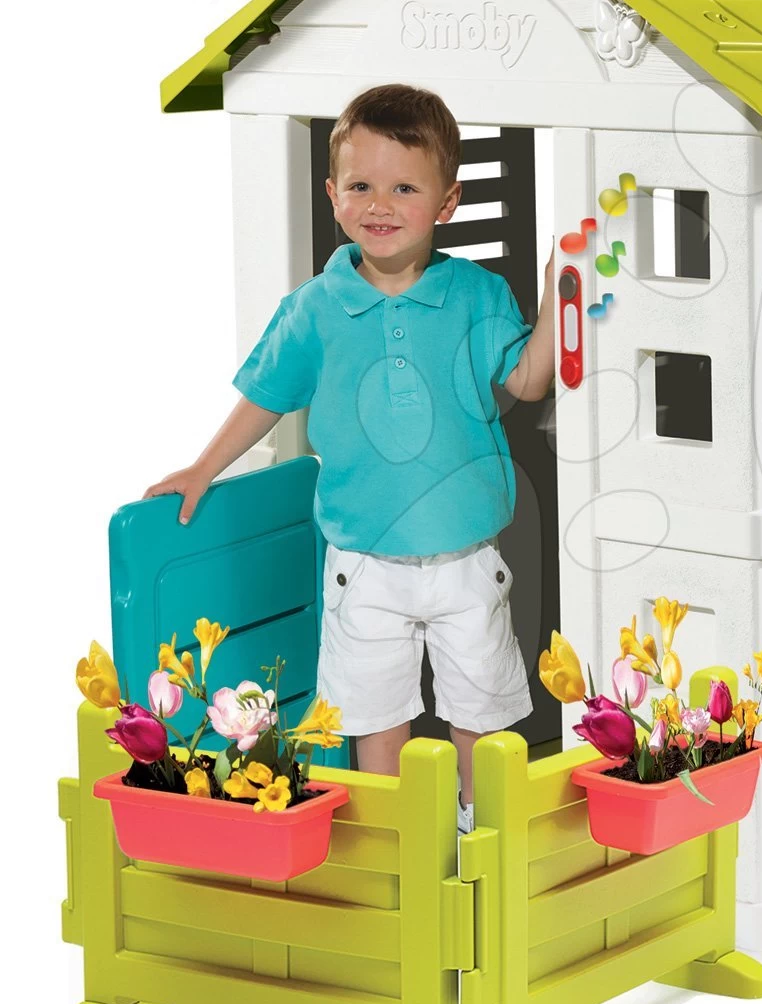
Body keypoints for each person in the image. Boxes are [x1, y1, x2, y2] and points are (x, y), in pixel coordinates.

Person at [145, 84, 555, 831]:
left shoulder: (477, 294)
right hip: (362, 562)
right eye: (361, 186)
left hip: (466, 554)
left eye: (405, 188)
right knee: (374, 715)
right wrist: (204, 467)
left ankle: (481, 834)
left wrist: (563, 294)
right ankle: (397, 838)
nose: (380, 205)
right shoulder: (315, 307)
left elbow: (527, 380)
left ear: (447, 201)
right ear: (332, 195)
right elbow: (267, 395)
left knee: (480, 711)